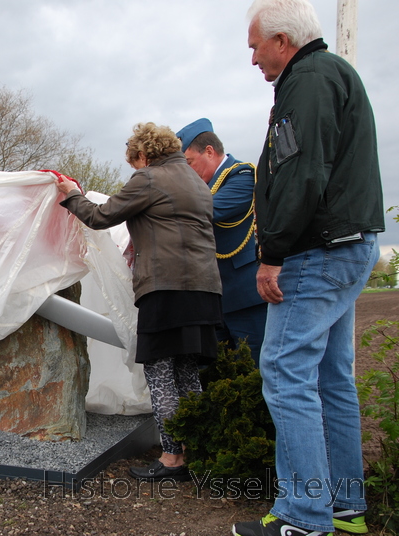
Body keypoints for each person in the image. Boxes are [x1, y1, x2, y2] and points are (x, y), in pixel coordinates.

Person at [232, 1, 385, 535]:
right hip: (346, 245)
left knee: (284, 372)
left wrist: (271, 253)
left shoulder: (309, 80)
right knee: (330, 377)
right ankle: (344, 506)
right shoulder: (333, 74)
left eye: (255, 45)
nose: (252, 58)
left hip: (315, 251)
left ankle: (303, 515)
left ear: (281, 40)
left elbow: (301, 172)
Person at [55, 122, 222, 481]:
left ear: (145, 155)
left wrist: (70, 194)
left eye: (136, 162)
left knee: (160, 373)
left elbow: (101, 217)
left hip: (166, 289)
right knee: (188, 373)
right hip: (205, 289)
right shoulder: (198, 182)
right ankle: (196, 450)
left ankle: (171, 459)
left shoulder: (150, 179)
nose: (136, 168)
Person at [176, 118, 267, 365]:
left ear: (209, 151)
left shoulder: (242, 175)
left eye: (189, 163)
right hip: (212, 301)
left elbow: (208, 211)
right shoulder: (203, 187)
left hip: (244, 297)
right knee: (216, 375)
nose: (187, 172)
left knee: (254, 369)